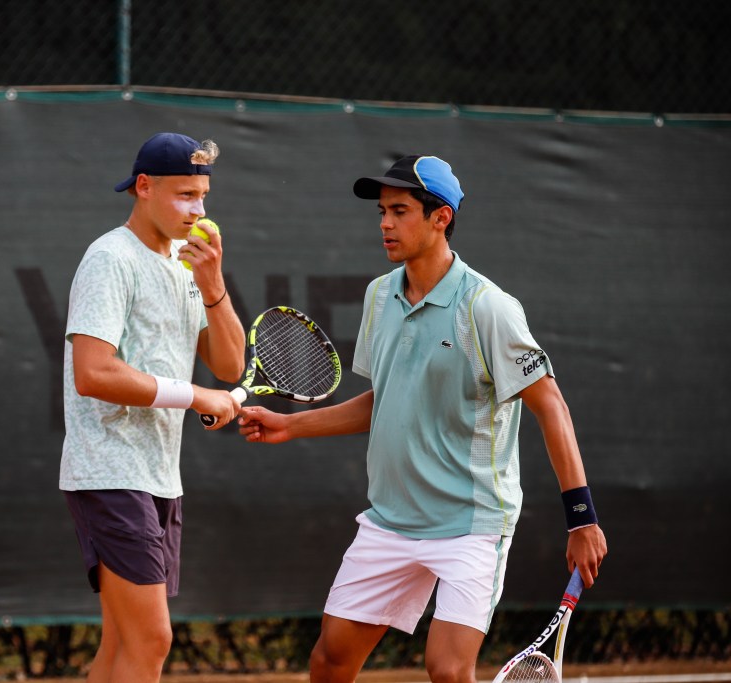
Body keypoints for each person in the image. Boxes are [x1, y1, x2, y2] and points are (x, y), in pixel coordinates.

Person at [237, 155, 608, 683]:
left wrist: (582, 517)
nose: (386, 223)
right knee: (329, 661)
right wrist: (291, 424)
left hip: (470, 527)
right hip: (390, 521)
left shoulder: (488, 307)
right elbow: (385, 400)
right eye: (383, 211)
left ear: (441, 218)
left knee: (448, 671)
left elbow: (552, 406)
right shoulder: (377, 296)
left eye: (401, 211)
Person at [61, 132, 245, 681]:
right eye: (185, 195)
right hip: (109, 469)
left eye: (203, 197)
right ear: (144, 188)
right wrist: (194, 396)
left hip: (160, 477)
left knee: (121, 643)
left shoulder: (187, 267)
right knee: (152, 638)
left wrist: (212, 283)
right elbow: (92, 373)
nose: (198, 210)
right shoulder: (109, 258)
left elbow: (230, 368)